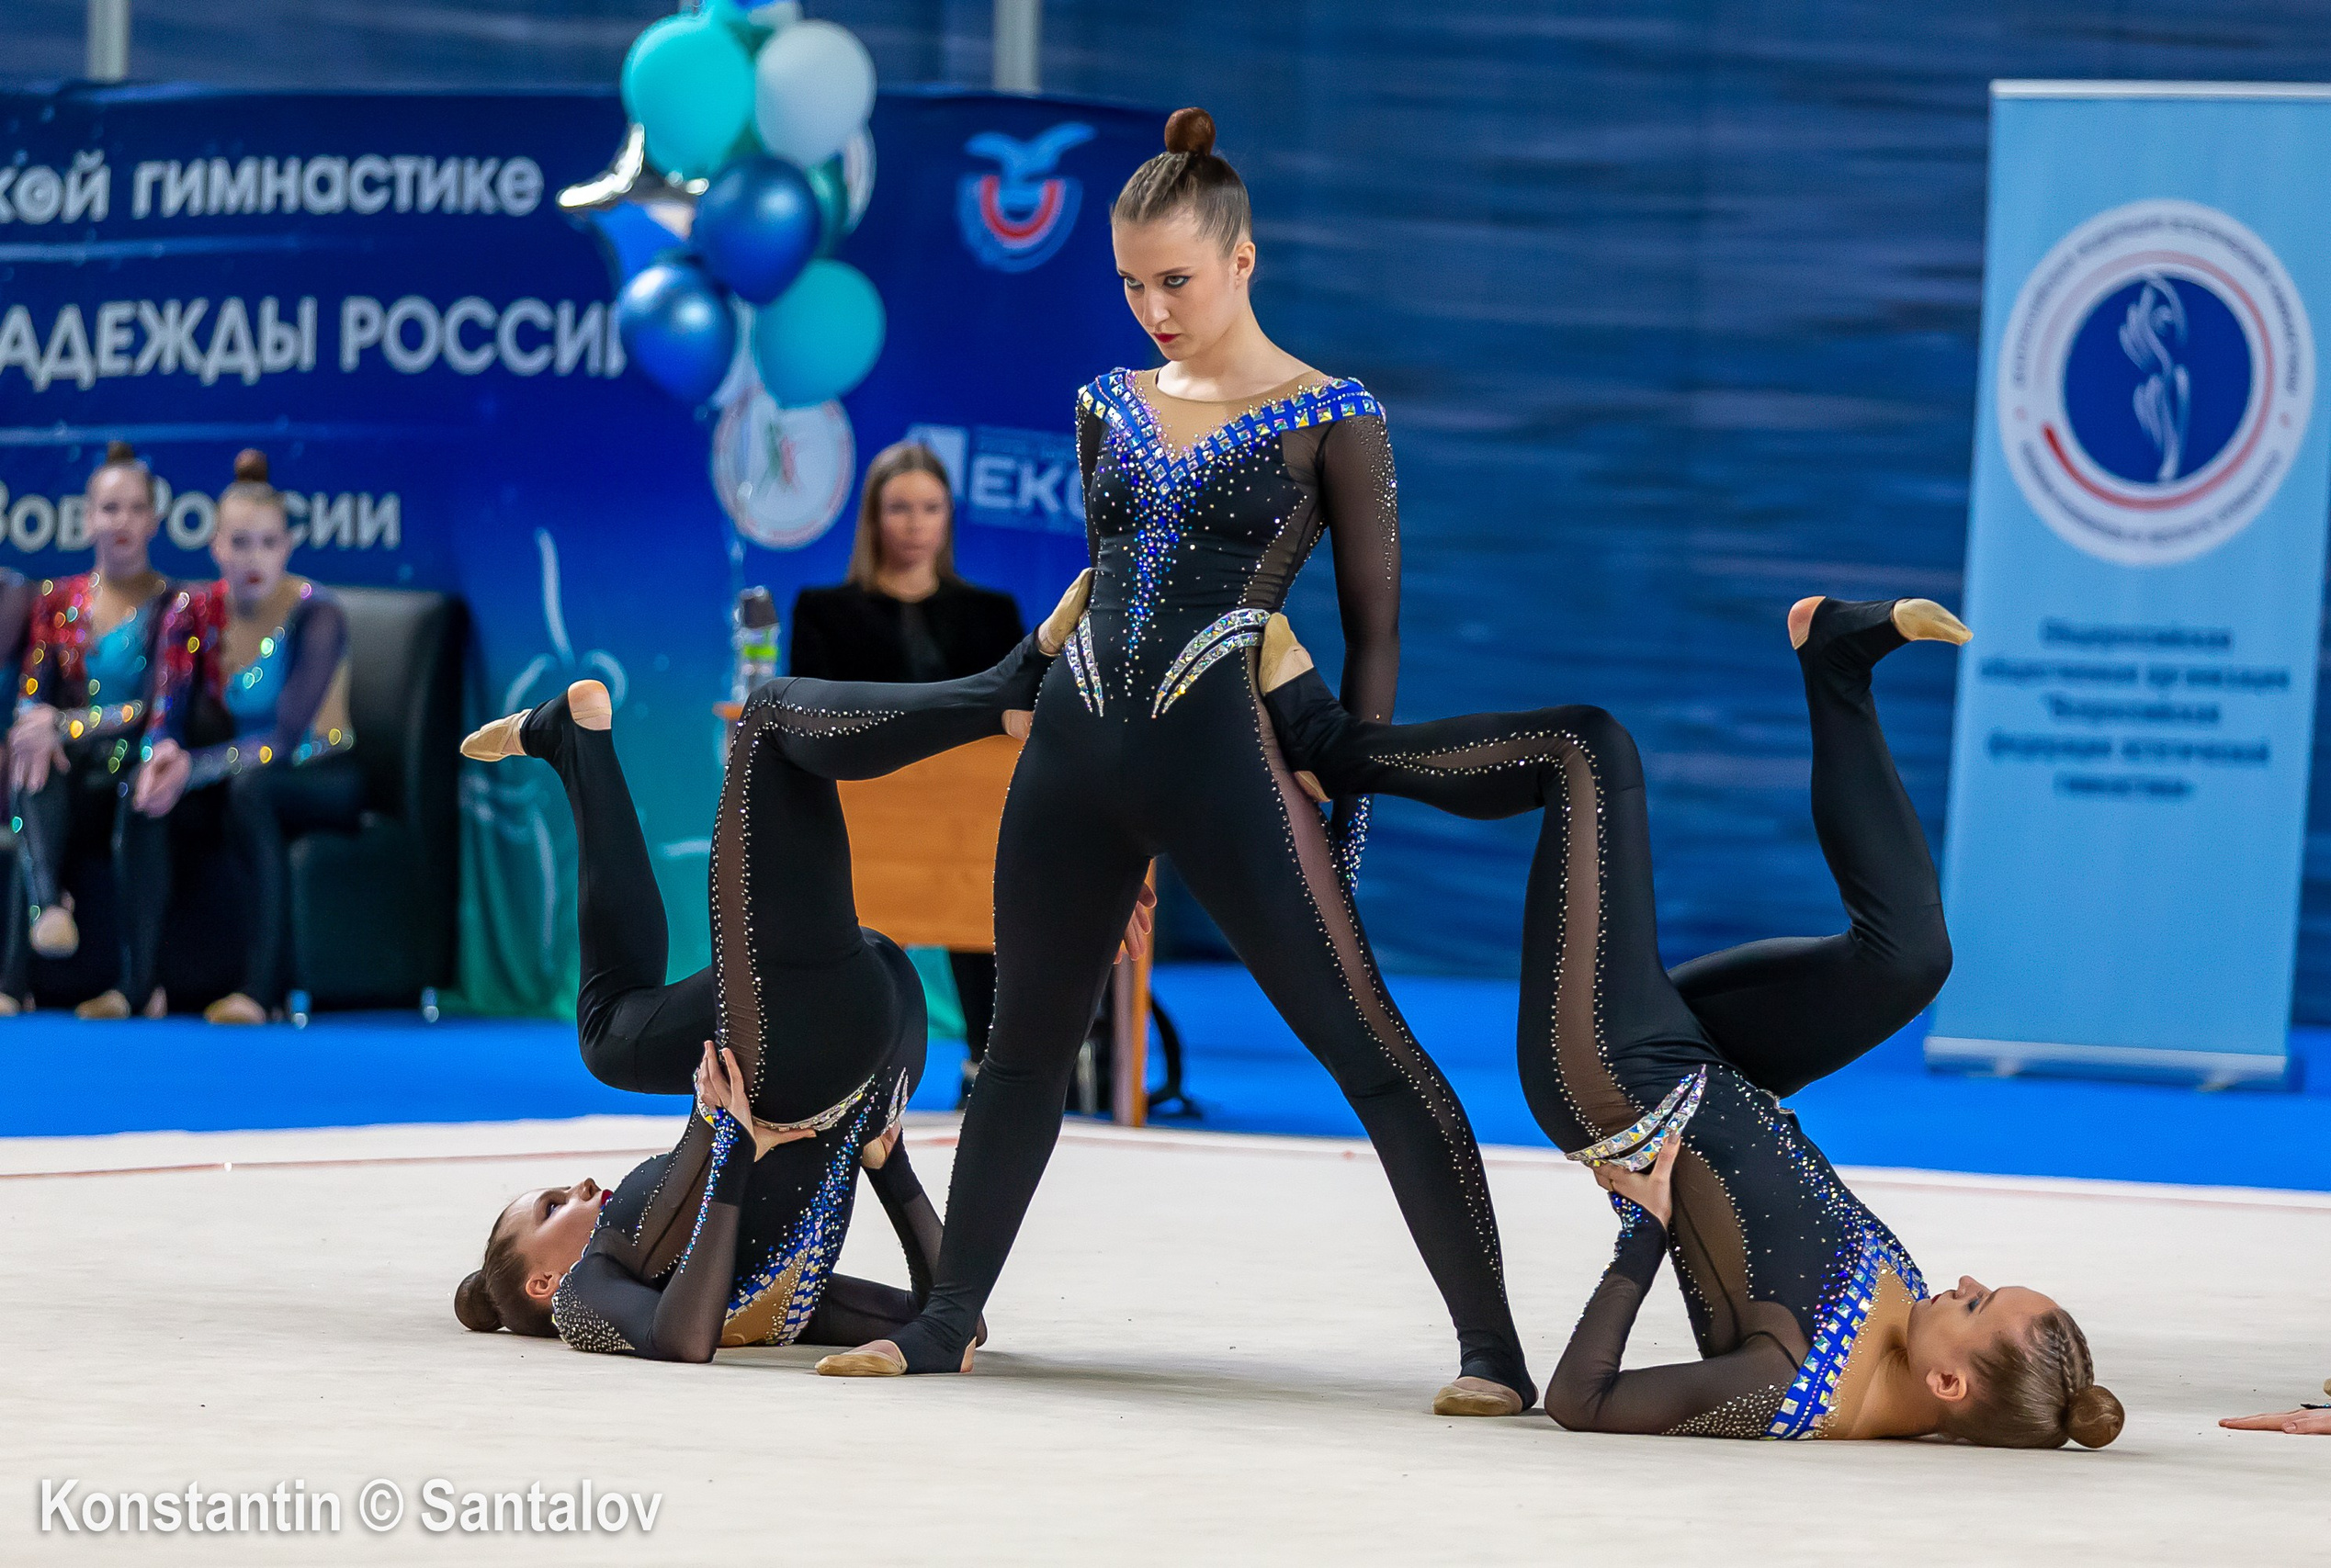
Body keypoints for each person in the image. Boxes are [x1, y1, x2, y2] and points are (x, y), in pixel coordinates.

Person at [814, 107, 1538, 1416]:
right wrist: (1023, 700)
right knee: (1023, 1048)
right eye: (1131, 285)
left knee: (1371, 1048)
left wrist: (1349, 810)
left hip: (1230, 763)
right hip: (1079, 764)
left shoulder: (1336, 417)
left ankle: (1493, 1346)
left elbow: (1375, 637)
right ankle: (945, 1317)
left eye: (1177, 282)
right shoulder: (1104, 404)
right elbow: (1102, 581)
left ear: (1244, 260)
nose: (1152, 307)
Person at [1253, 596, 2126, 1447]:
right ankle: (1833, 662)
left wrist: (1646, 1226)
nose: (1966, 1281)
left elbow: (1582, 1400)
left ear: (1949, 1385)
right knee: (1909, 960)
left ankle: (1331, 744)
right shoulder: (1911, 1329)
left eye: (1977, 1302)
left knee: (1584, 750)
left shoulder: (1788, 1383)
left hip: (1615, 1071)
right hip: (1717, 1071)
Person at [448, 581, 1103, 1356]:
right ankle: (1005, 687)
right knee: (765, 719)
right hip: (837, 1055)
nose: (582, 1185)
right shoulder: (587, 1292)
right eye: (554, 1204)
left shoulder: (740, 1283)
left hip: (836, 1030)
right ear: (542, 1284)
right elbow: (687, 1343)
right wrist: (878, 1160)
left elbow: (948, 1317)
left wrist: (772, 1142)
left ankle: (576, 741)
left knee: (608, 1032)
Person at [790, 441, 1029, 1080]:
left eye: (930, 507)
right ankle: (836, 1074)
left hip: (971, 820)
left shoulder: (993, 614)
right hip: (862, 818)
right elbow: (812, 716)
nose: (916, 523)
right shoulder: (823, 611)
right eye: (900, 508)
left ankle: (991, 1068)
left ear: (949, 517)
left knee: (983, 892)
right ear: (873, 517)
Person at [131, 450, 361, 1025]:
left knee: (251, 792)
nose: (252, 558)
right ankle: (138, 986)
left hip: (322, 768)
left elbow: (285, 738)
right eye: (238, 543)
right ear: (215, 547)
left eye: (266, 544)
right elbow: (167, 710)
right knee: (141, 792)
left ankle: (260, 992)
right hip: (240, 763)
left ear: (287, 547)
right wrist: (160, 756)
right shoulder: (192, 610)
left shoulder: (318, 614)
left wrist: (197, 768)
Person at [2, 440, 181, 1019]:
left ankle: (139, 986)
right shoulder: (56, 599)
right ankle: (32, 941)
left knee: (132, 786)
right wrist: (33, 722)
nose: (121, 522)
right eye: (109, 509)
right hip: (68, 766)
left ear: (155, 520)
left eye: (134, 509)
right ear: (86, 518)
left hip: (136, 763)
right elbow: (35, 686)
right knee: (29, 760)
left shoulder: (176, 604)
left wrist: (66, 724)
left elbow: (158, 706)